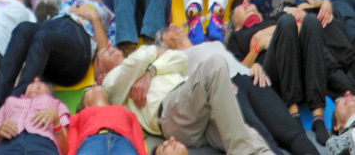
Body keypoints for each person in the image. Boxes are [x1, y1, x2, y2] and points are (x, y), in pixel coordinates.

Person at [159, 23, 320, 155]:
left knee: (291, 131)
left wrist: (255, 65)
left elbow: (235, 64)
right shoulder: (171, 61)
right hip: (226, 90)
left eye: (172, 25)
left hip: (248, 78)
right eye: (167, 30)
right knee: (262, 140)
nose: (172, 26)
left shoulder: (211, 43)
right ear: (162, 44)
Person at [0, 0, 114, 115]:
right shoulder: (69, 1)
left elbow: (105, 53)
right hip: (53, 37)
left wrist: (93, 17)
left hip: (78, 46)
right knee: (23, 29)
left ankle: (16, 103)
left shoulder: (108, 15)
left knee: (43, 36)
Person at [98, 43, 274, 153]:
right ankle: (240, 151)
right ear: (100, 74)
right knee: (215, 64)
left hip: (195, 109)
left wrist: (150, 72)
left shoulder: (148, 67)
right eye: (102, 54)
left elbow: (181, 59)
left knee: (249, 136)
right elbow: (137, 60)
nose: (108, 46)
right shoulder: (110, 83)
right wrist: (154, 51)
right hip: (171, 113)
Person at [228, 1, 331, 145]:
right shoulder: (236, 36)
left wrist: (266, 34)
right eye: (240, 5)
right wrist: (257, 47)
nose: (246, 3)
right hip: (270, 73)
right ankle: (292, 112)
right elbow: (237, 70)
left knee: (311, 21)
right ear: (235, 23)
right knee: (286, 22)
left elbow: (302, 28)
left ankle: (318, 116)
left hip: (298, 61)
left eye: (250, 3)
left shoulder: (273, 19)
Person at [0, 78, 69, 155]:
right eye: (32, 82)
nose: (36, 80)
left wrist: (56, 121)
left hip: (44, 145)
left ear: (50, 93)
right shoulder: (9, 101)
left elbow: (64, 149)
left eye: (42, 82)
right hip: (7, 144)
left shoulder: (57, 104)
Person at [67, 86, 147, 155]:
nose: (94, 85)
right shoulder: (77, 116)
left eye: (100, 86)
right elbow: (72, 145)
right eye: (88, 89)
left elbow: (139, 142)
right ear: (84, 104)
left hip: (123, 142)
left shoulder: (126, 112)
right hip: (90, 143)